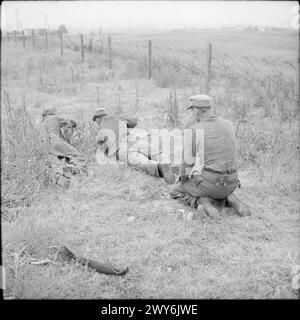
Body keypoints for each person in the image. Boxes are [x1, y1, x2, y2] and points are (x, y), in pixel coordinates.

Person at [170, 95, 251, 218]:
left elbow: (188, 162)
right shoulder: (229, 124)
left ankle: (202, 202)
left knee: (175, 190)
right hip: (232, 182)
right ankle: (229, 197)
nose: (192, 114)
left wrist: (182, 180)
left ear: (196, 110)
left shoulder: (194, 129)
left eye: (191, 111)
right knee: (214, 184)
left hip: (210, 183)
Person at [93, 108, 176, 184]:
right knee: (156, 153)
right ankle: (169, 165)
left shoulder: (100, 132)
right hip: (133, 140)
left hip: (120, 148)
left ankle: (160, 168)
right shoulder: (117, 118)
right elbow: (134, 122)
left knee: (142, 162)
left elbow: (101, 150)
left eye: (95, 120)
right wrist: (124, 124)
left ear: (97, 118)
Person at [39, 108, 88, 188]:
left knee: (53, 163)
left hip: (41, 145)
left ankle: (60, 178)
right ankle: (77, 171)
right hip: (54, 141)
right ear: (52, 113)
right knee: (77, 156)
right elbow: (71, 123)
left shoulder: (40, 123)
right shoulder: (54, 118)